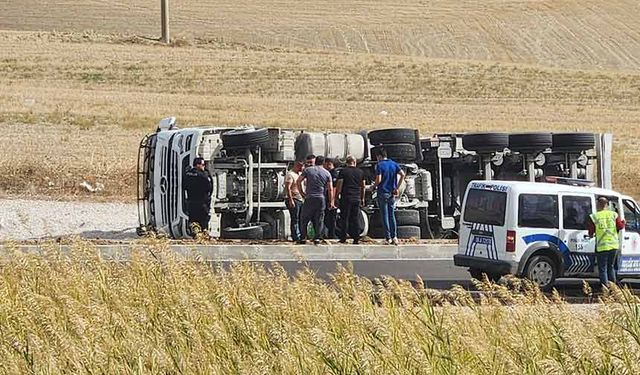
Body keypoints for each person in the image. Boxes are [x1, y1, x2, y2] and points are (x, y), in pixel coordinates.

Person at [297, 155, 335, 245]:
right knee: (319, 218)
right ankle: (317, 237)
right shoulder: (327, 173)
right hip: (321, 198)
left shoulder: (308, 170)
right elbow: (330, 189)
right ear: (324, 162)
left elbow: (299, 181)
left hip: (309, 197)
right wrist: (331, 201)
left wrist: (302, 193)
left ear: (315, 161)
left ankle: (303, 237)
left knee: (304, 218)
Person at [588, 197, 625, 286]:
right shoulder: (614, 214)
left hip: (602, 247)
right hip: (614, 246)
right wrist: (624, 222)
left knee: (603, 269)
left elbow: (591, 232)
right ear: (607, 205)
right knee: (611, 267)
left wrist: (591, 235)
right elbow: (620, 226)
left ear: (598, 205)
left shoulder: (594, 216)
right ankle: (613, 289)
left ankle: (605, 289)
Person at [372, 148, 405, 245]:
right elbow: (402, 174)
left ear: (379, 156)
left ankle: (388, 237)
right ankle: (395, 237)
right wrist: (397, 188)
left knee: (384, 215)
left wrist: (374, 186)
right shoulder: (394, 164)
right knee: (392, 215)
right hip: (392, 192)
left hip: (382, 191)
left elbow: (379, 179)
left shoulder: (379, 165)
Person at [336, 155, 365, 244]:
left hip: (346, 197)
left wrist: (337, 195)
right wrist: (362, 198)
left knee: (345, 218)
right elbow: (363, 186)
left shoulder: (343, 172)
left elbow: (339, 184)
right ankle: (356, 238)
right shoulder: (360, 172)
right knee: (355, 218)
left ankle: (343, 238)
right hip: (356, 197)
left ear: (346, 162)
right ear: (355, 162)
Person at [183, 157, 213, 238]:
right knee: (203, 220)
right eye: (203, 165)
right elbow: (209, 187)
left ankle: (196, 234)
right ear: (198, 165)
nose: (204, 166)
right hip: (202, 202)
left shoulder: (188, 174)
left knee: (193, 219)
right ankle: (203, 234)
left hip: (191, 201)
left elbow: (184, 186)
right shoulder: (203, 175)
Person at [284, 160, 305, 242]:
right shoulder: (290, 174)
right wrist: (290, 200)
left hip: (300, 199)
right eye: (301, 166)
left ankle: (301, 234)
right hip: (294, 198)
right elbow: (288, 188)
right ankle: (295, 236)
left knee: (300, 218)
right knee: (295, 218)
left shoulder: (299, 174)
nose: (302, 168)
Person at [323, 158, 339, 239]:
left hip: (332, 198)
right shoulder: (328, 173)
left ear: (329, 164)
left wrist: (332, 200)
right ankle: (330, 233)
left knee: (331, 217)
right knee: (327, 217)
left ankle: (332, 234)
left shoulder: (333, 173)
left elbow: (334, 187)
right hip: (328, 197)